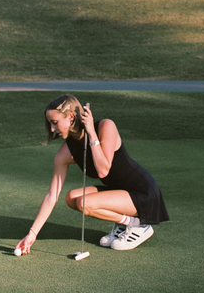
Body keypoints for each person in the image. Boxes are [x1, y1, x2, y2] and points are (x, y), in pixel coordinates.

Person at [15, 94, 169, 255]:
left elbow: (103, 170)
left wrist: (92, 134)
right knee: (71, 198)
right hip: (119, 192)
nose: (52, 129)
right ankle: (126, 223)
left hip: (142, 192)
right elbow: (52, 195)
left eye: (55, 123)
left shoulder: (106, 126)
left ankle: (137, 224)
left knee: (84, 202)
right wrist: (32, 234)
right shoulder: (65, 152)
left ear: (71, 117)